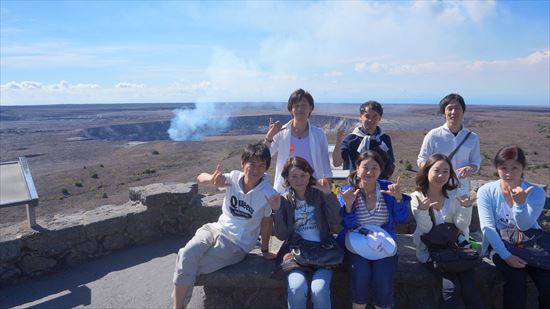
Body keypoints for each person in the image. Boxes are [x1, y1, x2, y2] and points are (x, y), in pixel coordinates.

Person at [171, 142, 278, 309]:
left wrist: (265, 250)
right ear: (243, 163)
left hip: (237, 243)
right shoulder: (233, 179)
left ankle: (179, 304)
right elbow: (200, 176)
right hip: (215, 228)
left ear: (266, 168)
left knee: (191, 262)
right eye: (252, 164)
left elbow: (266, 223)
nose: (256, 169)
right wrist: (212, 180)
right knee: (187, 253)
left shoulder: (269, 194)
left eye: (261, 165)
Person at [477, 145, 549, 309]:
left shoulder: (536, 192)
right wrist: (506, 256)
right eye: (503, 168)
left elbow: (524, 225)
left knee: (547, 284)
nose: (508, 173)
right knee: (516, 282)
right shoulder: (486, 191)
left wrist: (520, 204)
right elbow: (487, 227)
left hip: (531, 242)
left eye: (514, 167)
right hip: (500, 244)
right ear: (497, 168)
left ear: (523, 168)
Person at [338, 150, 411, 309]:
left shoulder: (388, 189)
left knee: (383, 280)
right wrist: (349, 206)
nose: (369, 172)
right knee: (360, 276)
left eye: (374, 168)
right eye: (365, 167)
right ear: (357, 168)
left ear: (380, 170)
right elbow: (348, 225)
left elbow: (402, 219)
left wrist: (399, 199)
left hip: (384, 243)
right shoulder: (348, 191)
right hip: (357, 244)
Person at [267, 156, 341, 309]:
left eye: (303, 175)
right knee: (297, 288)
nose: (299, 180)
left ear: (310, 175)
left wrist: (328, 195)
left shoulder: (319, 194)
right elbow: (282, 235)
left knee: (319, 289)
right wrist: (277, 210)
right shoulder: (285, 200)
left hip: (323, 249)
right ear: (286, 178)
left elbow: (336, 220)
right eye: (293, 176)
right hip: (296, 251)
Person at [411, 153, 483, 309]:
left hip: (457, 249)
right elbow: (426, 230)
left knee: (470, 287)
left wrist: (465, 207)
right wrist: (423, 210)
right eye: (436, 170)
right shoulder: (417, 197)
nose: (441, 175)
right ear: (427, 171)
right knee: (452, 287)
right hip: (432, 252)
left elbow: (461, 226)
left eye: (446, 171)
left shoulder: (454, 195)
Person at [264, 88, 332, 193]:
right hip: (286, 188)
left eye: (304, 105)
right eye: (296, 105)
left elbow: (325, 163)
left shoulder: (318, 134)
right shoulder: (281, 132)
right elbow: (265, 155)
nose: (300, 109)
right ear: (291, 109)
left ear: (311, 108)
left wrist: (327, 188)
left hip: (313, 188)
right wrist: (270, 136)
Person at [417, 93, 481, 196]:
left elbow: (476, 162)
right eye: (449, 108)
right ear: (444, 112)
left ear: (463, 111)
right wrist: (435, 172)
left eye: (457, 108)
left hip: (462, 191)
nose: (453, 112)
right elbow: (422, 159)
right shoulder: (433, 135)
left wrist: (471, 168)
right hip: (438, 190)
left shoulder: (472, 138)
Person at [333, 101, 395, 179]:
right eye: (367, 116)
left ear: (379, 118)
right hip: (357, 184)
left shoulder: (384, 139)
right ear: (360, 116)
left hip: (379, 184)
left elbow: (390, 163)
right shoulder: (352, 139)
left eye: (374, 116)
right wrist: (339, 141)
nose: (370, 120)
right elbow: (336, 163)